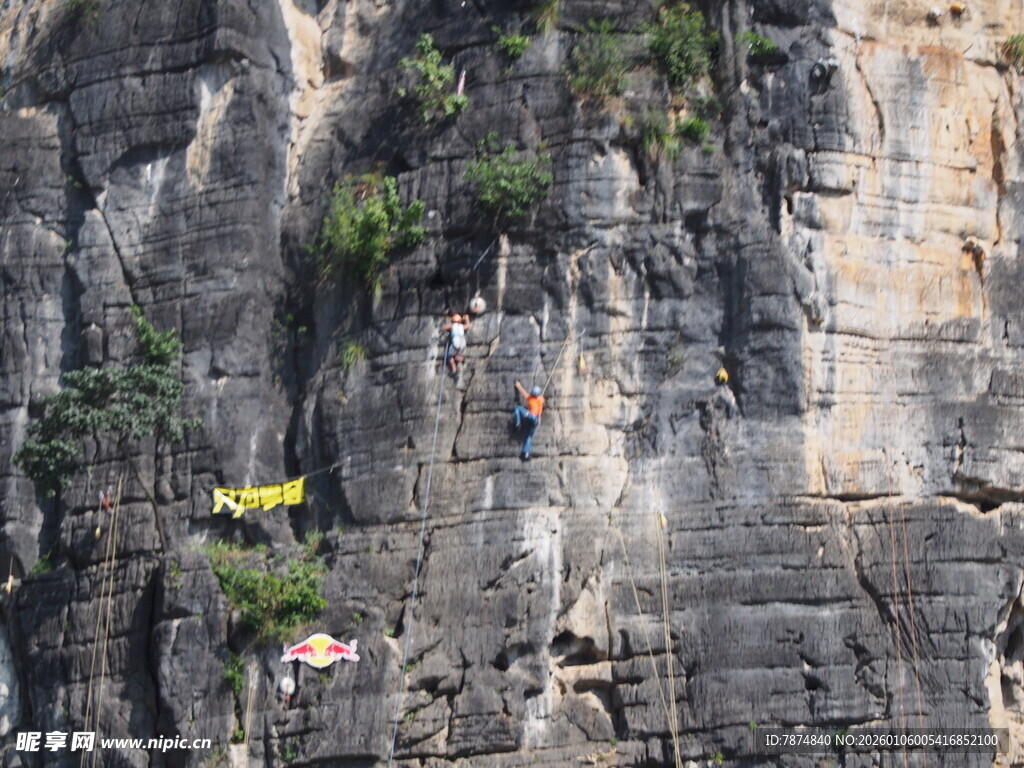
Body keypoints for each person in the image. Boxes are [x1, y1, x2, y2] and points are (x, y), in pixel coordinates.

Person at [512, 380, 544, 461]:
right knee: (528, 437)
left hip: (531, 417)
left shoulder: (530, 398)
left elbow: (523, 392)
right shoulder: (540, 399)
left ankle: (518, 423)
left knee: (517, 408)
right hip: (535, 421)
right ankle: (525, 454)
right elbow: (540, 412)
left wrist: (518, 385)